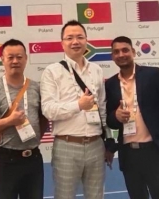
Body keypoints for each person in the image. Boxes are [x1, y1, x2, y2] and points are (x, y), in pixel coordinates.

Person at [40, 20, 110, 199]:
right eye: (69, 38)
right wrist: (78, 105)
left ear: (86, 41)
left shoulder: (96, 70)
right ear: (62, 43)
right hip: (67, 145)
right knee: (64, 196)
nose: (75, 42)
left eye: (80, 37)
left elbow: (102, 108)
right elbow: (48, 110)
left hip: (96, 144)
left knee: (96, 196)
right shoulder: (52, 71)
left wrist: (107, 140)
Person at [105, 36, 159, 199]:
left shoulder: (153, 74)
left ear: (133, 52)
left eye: (125, 50)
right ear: (112, 56)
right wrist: (115, 117)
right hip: (128, 154)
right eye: (116, 52)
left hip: (155, 150)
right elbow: (109, 121)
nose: (121, 54)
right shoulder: (110, 84)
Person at [0, 39, 46, 199]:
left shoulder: (36, 87)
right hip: (6, 160)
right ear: (2, 60)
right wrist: (9, 121)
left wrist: (34, 138)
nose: (15, 61)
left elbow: (43, 119)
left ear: (26, 59)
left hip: (33, 159)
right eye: (10, 57)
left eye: (19, 57)